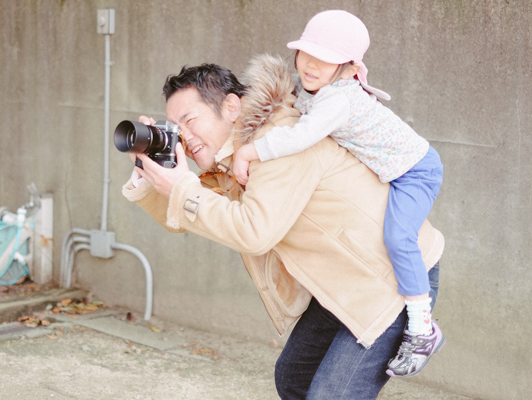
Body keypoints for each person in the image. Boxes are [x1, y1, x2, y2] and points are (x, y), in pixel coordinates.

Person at [121, 53, 445, 399]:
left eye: (189, 120)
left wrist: (183, 188)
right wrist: (149, 174)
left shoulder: (279, 139)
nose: (182, 137)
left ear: (231, 106)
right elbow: (185, 214)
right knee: (294, 379)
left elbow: (253, 231)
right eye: (174, 127)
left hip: (389, 283)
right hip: (340, 284)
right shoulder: (233, 156)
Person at [233, 10, 445, 378]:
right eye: (305, 53)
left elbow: (300, 136)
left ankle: (422, 328)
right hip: (393, 171)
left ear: (347, 67)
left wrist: (249, 150)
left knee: (397, 237)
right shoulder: (317, 91)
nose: (310, 64)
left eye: (325, 58)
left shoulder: (338, 100)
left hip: (416, 171)